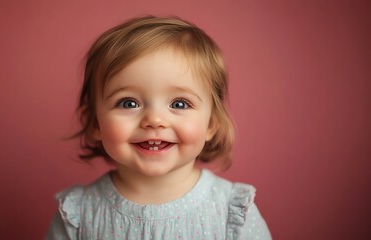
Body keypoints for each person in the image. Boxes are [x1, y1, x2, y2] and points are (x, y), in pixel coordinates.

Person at [46, 16, 272, 240]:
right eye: (129, 103)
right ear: (95, 122)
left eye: (179, 104)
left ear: (211, 123)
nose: (154, 119)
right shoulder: (79, 214)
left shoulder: (232, 212)